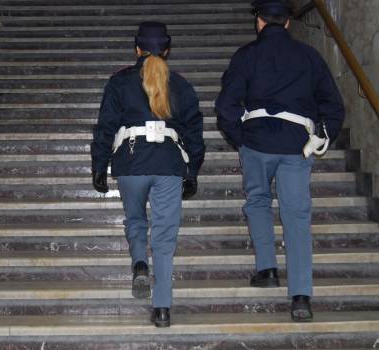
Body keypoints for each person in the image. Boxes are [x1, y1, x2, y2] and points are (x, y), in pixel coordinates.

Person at [215, 0, 345, 322]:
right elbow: (333, 103)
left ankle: (267, 269)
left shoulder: (245, 56)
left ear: (259, 22)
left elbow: (226, 105)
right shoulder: (310, 56)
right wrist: (322, 136)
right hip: (295, 145)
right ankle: (301, 296)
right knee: (297, 216)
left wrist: (239, 138)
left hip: (256, 142)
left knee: (258, 201)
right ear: (288, 23)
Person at [91, 22, 205, 328]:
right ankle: (163, 308)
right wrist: (192, 171)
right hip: (168, 164)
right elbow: (194, 132)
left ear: (136, 49)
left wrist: (99, 166)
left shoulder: (119, 82)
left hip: (130, 163)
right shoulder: (180, 84)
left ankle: (140, 262)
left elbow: (105, 127)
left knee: (137, 220)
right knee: (165, 238)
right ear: (167, 50)